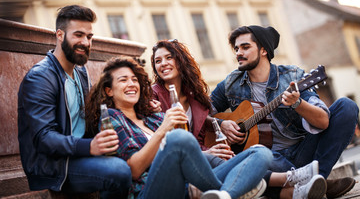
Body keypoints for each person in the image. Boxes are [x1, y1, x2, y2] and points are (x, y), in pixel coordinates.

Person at [85, 56, 274, 199]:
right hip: (148, 191)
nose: (132, 84)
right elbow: (133, 170)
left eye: (134, 79)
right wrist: (164, 129)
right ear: (109, 90)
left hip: (187, 184)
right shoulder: (112, 118)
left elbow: (185, 155)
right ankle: (232, 190)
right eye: (123, 80)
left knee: (260, 153)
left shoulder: (152, 118)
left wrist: (209, 153)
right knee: (179, 138)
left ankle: (224, 195)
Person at [210, 25, 359, 198]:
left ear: (263, 50)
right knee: (257, 153)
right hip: (268, 160)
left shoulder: (292, 77)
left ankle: (317, 179)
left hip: (303, 152)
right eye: (236, 49)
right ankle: (316, 186)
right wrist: (222, 124)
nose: (238, 53)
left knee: (346, 106)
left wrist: (298, 104)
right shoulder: (230, 84)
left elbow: (323, 121)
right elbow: (202, 112)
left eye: (245, 47)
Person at [18, 5, 131, 198]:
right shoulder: (40, 77)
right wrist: (89, 147)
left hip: (78, 155)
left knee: (135, 153)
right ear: (60, 35)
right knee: (118, 171)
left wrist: (142, 107)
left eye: (89, 37)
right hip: (54, 167)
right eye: (78, 35)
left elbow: (88, 115)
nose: (85, 42)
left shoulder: (80, 71)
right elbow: (44, 139)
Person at [151, 39, 233, 164]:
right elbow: (160, 143)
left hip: (200, 157)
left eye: (169, 57)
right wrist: (206, 153)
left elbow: (199, 138)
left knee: (246, 155)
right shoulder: (152, 96)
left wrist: (213, 150)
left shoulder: (194, 94)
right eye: (158, 61)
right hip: (175, 161)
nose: (163, 63)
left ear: (181, 60)